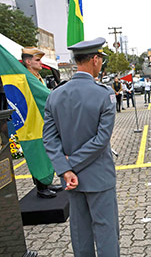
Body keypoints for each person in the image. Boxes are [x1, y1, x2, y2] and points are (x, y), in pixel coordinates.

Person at [43, 37, 120, 256]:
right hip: (99, 176)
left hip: (71, 179)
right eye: (101, 60)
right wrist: (71, 164)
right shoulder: (104, 94)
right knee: (106, 232)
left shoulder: (55, 95)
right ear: (95, 59)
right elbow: (100, 140)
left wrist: (65, 169)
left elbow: (49, 137)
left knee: (80, 232)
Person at [21, 47, 63, 198]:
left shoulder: (36, 76)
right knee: (38, 154)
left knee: (45, 153)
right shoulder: (26, 78)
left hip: (42, 120)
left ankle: (47, 182)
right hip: (33, 121)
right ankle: (41, 187)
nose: (40, 63)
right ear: (27, 62)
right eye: (37, 60)